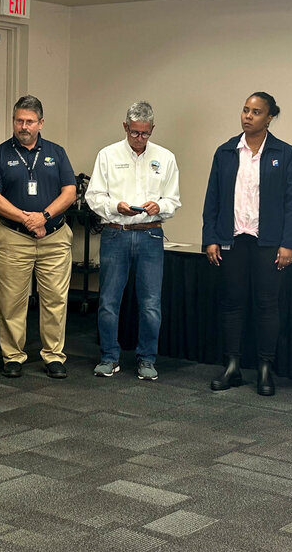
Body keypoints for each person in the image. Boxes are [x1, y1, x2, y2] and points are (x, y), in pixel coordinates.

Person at [202, 92, 292, 396]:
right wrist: (211, 237)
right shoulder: (226, 151)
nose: (248, 116)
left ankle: (265, 368)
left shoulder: (283, 153)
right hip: (232, 240)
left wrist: (288, 244)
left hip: (268, 243)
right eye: (245, 110)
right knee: (232, 303)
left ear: (269, 117)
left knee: (267, 305)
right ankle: (232, 366)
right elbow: (213, 199)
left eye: (256, 112)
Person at [0, 95, 76, 378]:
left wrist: (43, 216)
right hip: (14, 237)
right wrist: (26, 218)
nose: (23, 126)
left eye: (29, 121)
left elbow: (69, 192)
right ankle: (13, 356)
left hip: (54, 238)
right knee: (11, 301)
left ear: (41, 123)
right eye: (18, 120)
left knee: (55, 300)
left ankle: (53, 356)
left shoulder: (57, 153)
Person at [85, 101, 181, 380]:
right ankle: (109, 357)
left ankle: (147, 358)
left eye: (146, 134)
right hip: (116, 233)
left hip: (150, 233)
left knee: (150, 303)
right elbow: (94, 197)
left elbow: (173, 200)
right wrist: (117, 206)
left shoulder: (166, 158)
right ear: (125, 127)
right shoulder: (107, 155)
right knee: (108, 301)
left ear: (152, 129)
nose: (140, 139)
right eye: (135, 133)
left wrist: (159, 207)